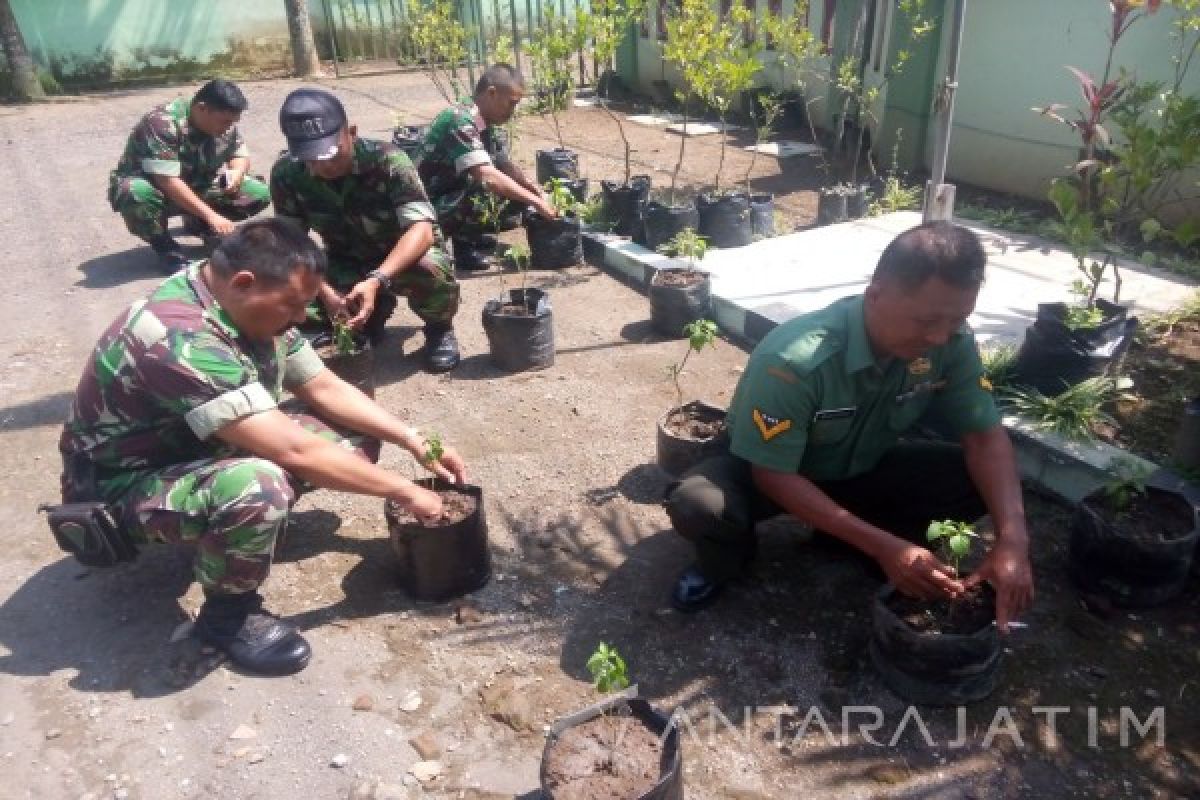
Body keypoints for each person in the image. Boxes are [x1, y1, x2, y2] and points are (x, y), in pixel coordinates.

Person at [58, 218, 468, 676]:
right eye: (292, 306)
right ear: (244, 283)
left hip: (191, 448)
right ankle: (225, 621)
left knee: (354, 434)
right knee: (259, 486)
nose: (299, 319)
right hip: (120, 486)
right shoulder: (179, 337)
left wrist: (412, 440)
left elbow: (324, 387)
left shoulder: (243, 299)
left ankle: (234, 533)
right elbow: (296, 452)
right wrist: (406, 491)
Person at [665, 222, 1034, 633]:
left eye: (956, 320)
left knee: (975, 477)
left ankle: (851, 540)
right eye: (927, 320)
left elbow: (985, 439)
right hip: (770, 472)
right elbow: (772, 474)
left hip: (858, 467)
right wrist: (883, 546)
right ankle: (724, 563)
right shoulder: (795, 359)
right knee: (699, 505)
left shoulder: (950, 345)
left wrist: (1013, 541)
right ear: (876, 294)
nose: (939, 336)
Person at [270, 88, 463, 373]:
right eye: (312, 160)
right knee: (280, 276)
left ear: (351, 132)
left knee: (429, 266)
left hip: (397, 259)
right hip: (343, 259)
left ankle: (439, 328)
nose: (323, 167)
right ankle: (361, 317)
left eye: (331, 155)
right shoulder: (287, 173)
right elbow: (291, 243)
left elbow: (421, 230)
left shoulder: (388, 161)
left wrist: (376, 281)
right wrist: (325, 293)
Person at [107, 79, 271, 273]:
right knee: (134, 192)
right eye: (226, 121)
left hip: (195, 184)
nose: (229, 127)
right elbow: (166, 181)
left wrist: (237, 172)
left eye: (233, 122)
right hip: (157, 189)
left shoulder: (222, 123)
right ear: (202, 109)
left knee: (257, 193)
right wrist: (212, 216)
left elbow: (239, 154)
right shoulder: (162, 123)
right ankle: (164, 245)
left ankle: (198, 223)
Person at [418, 63, 557, 272]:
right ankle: (463, 248)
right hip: (426, 205)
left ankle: (470, 235)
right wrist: (536, 202)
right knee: (484, 186)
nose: (513, 110)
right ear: (492, 93)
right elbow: (487, 176)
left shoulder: (483, 121)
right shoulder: (459, 120)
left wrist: (535, 190)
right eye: (511, 103)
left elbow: (504, 164)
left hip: (449, 192)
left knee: (514, 188)